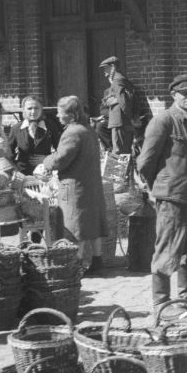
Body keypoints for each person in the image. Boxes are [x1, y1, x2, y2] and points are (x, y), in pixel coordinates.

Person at [137, 74, 187, 308]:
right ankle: (160, 302)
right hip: (172, 196)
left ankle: (186, 298)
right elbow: (145, 162)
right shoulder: (163, 121)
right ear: (173, 95)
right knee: (167, 247)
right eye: (184, 94)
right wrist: (154, 189)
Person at [37, 95, 108, 273]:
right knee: (93, 222)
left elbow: (61, 159)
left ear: (72, 114)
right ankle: (97, 261)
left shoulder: (72, 132)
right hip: (91, 183)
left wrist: (46, 162)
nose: (58, 117)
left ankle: (76, 265)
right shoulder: (88, 129)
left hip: (75, 186)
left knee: (76, 225)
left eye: (61, 113)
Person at [9, 95, 62, 175]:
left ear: (41, 109)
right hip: (23, 174)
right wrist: (15, 165)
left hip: (45, 173)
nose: (33, 112)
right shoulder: (16, 129)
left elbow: (60, 150)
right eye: (29, 108)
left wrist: (47, 159)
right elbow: (8, 152)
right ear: (24, 110)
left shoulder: (50, 126)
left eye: (36, 108)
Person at [98, 56, 139, 154]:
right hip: (122, 120)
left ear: (112, 67)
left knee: (120, 152)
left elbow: (122, 100)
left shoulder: (117, 79)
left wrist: (130, 117)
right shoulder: (121, 78)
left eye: (106, 68)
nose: (105, 73)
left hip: (120, 120)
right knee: (124, 151)